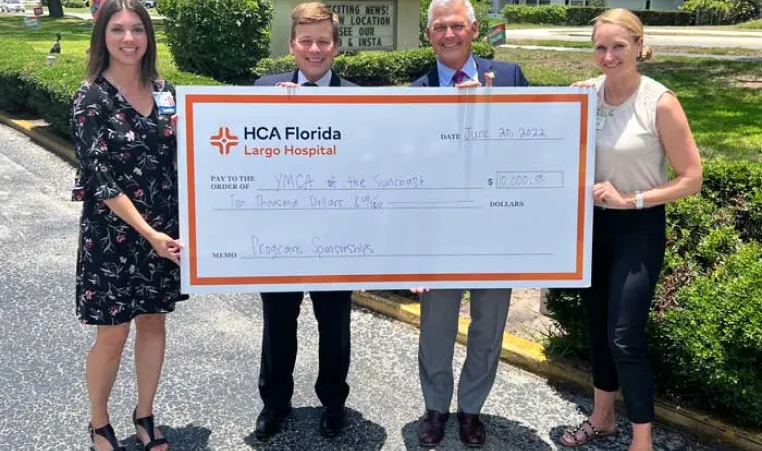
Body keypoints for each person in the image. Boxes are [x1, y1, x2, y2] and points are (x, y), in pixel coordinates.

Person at [559, 9, 702, 451]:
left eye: (618, 46)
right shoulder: (584, 96)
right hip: (591, 227)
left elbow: (692, 178)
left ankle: (642, 441)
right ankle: (602, 419)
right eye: (600, 47)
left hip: (637, 227)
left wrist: (631, 199)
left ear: (639, 45)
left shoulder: (659, 102)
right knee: (599, 329)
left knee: (625, 336)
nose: (608, 55)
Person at [410, 0, 529, 447]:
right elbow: (408, 167)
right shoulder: (415, 90)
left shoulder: (511, 77)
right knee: (436, 327)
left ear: (474, 29)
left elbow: (539, 137)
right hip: (441, 229)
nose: (448, 34)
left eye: (457, 25)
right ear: (429, 36)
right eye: (439, 27)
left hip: (496, 225)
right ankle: (436, 407)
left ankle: (472, 409)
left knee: (488, 324)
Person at [71, 0, 185, 449]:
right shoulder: (90, 97)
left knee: (155, 323)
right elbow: (99, 178)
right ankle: (99, 421)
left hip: (164, 231)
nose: (129, 38)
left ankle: (145, 413)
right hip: (114, 236)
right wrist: (150, 234)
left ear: (148, 35)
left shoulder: (166, 91)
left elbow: (187, 158)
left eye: (137, 29)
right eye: (117, 29)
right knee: (113, 335)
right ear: (102, 35)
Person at [251, 2, 356, 441]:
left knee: (335, 326)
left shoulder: (358, 98)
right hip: (280, 234)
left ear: (336, 46)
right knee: (278, 324)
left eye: (324, 41)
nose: (315, 50)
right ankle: (275, 403)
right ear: (292, 45)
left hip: (336, 235)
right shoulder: (262, 91)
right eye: (307, 41)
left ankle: (334, 401)